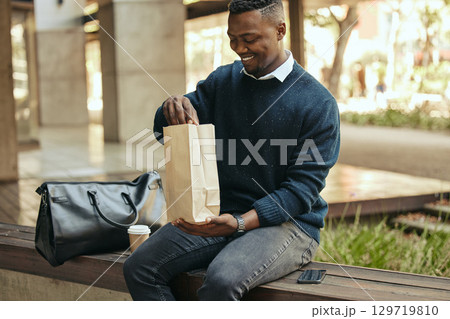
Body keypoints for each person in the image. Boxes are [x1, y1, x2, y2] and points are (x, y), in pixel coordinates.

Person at [123, 0, 340, 301]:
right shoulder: (222, 82)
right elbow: (165, 131)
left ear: (280, 30)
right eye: (232, 39)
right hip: (219, 216)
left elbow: (301, 192)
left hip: (289, 224)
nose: (239, 48)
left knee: (222, 281)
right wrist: (169, 109)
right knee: (138, 268)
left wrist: (241, 223)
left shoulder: (318, 104)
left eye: (249, 39)